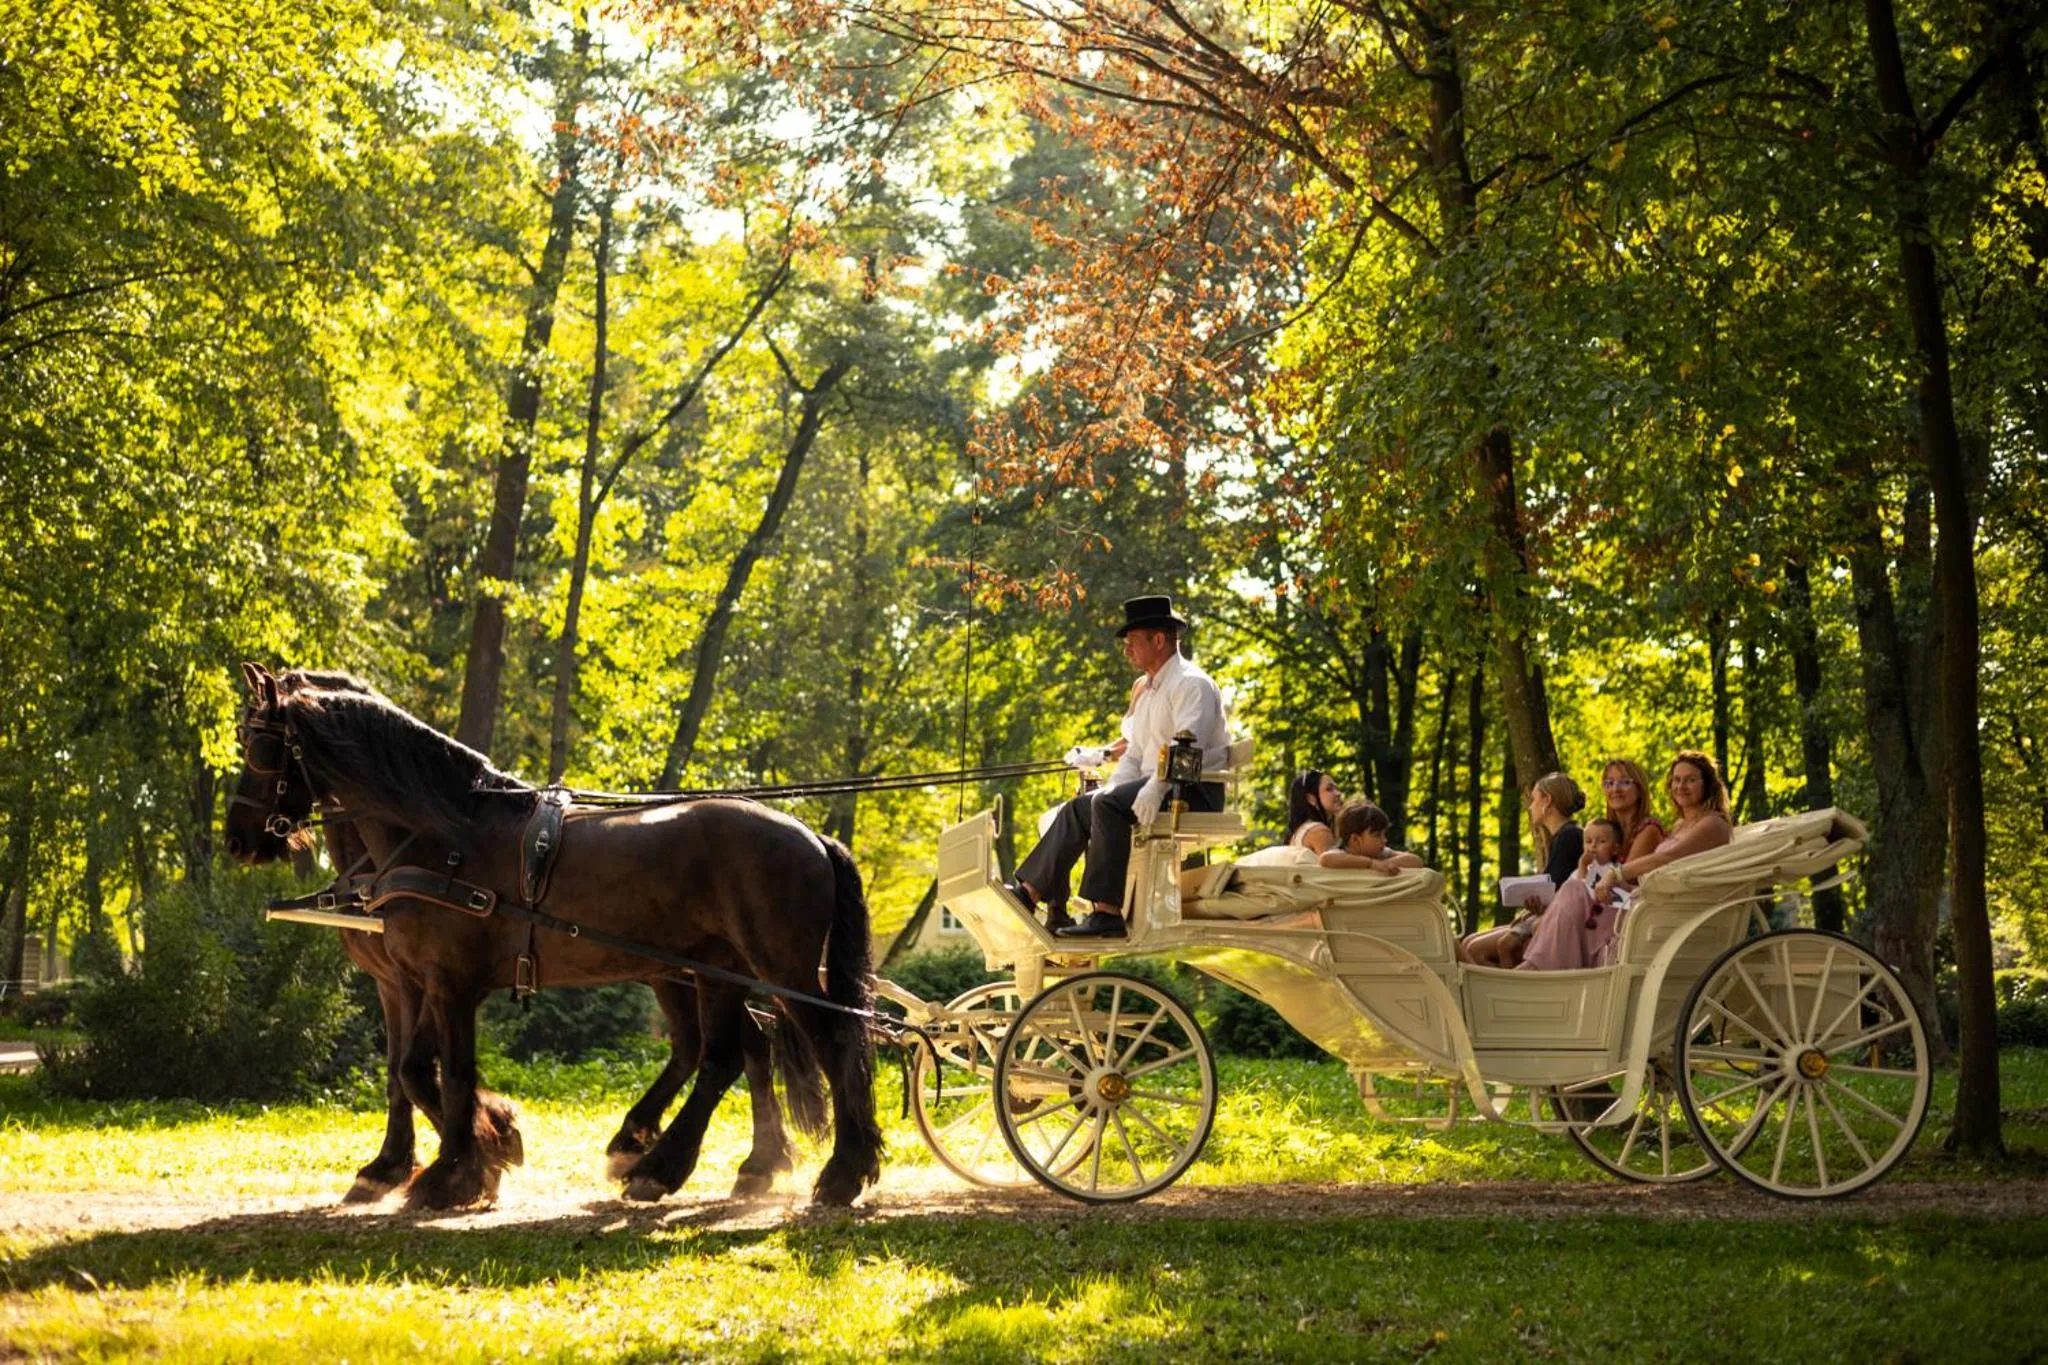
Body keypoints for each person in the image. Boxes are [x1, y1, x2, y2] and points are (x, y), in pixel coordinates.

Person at [1007, 594, 1230, 939]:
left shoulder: (1191, 684)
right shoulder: (1152, 691)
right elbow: (1136, 754)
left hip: (1193, 790)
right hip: (1159, 784)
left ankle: (1107, 914)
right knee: (1080, 806)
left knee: (1106, 805)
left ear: (1158, 640)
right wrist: (1114, 787)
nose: (1127, 650)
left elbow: (1188, 749)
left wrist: (1155, 789)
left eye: (1132, 641)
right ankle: (1028, 892)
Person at [1517, 751, 1733, 971]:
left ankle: (1537, 968)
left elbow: (1666, 858)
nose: (1681, 786)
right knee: (1573, 891)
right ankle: (1538, 967)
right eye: (1677, 780)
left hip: (1662, 907)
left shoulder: (1712, 824)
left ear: (1707, 784)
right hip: (1647, 899)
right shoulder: (1679, 825)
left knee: (1574, 891)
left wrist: (1615, 874)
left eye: (1690, 780)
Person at [1458, 771, 1585, 968]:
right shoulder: (1562, 836)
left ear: (1547, 801)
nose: (1530, 806)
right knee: (1468, 943)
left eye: (1534, 799)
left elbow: (1562, 894)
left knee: (1474, 949)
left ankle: (1507, 995)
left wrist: (1537, 905)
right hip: (1544, 915)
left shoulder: (1569, 837)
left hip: (1555, 921)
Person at [1317, 799, 1424, 873]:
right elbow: (1325, 859)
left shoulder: (1382, 854)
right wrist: (1370, 864)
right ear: (1355, 839)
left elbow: (1416, 860)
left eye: (1384, 834)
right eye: (1377, 835)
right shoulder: (1342, 853)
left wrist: (1383, 864)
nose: (1385, 840)